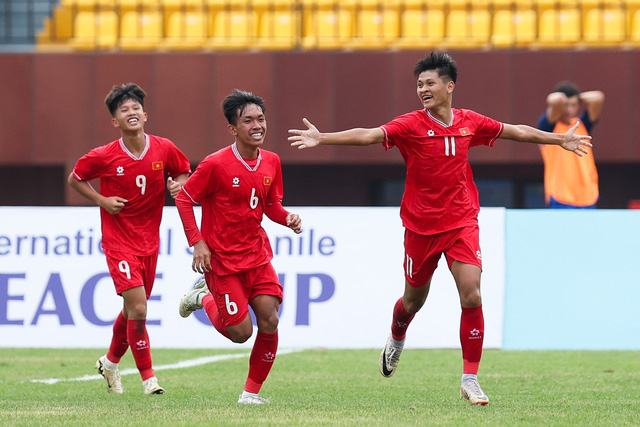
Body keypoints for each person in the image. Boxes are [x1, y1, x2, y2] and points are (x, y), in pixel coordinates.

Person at [288, 52, 591, 405]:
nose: (423, 89)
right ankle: (397, 335)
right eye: (419, 84)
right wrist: (322, 138)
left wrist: (559, 141)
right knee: (413, 300)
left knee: (472, 293)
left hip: (462, 221)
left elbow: (515, 132)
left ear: (450, 86)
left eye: (430, 83)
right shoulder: (410, 125)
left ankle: (470, 378)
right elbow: (369, 135)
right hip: (421, 227)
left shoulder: (469, 121)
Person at [175, 89, 302, 405]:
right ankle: (202, 297)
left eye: (261, 118)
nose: (257, 125)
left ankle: (250, 394)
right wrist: (198, 243)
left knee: (270, 318)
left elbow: (271, 204)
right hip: (222, 261)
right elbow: (184, 198)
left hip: (257, 256)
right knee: (241, 333)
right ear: (233, 128)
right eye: (248, 121)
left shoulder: (271, 161)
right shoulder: (215, 164)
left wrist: (287, 218)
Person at [68, 83, 191, 395]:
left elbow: (184, 171)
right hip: (118, 241)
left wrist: (179, 186)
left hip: (150, 242)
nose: (131, 112)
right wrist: (101, 200)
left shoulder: (164, 148)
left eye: (135, 107)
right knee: (138, 308)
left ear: (145, 115)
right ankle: (149, 379)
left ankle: (109, 363)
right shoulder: (103, 156)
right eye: (124, 110)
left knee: (133, 309)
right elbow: (76, 177)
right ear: (115, 122)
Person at [538, 81, 604, 208]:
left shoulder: (582, 124)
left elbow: (598, 97)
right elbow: (554, 100)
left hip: (588, 196)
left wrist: (577, 97)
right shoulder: (549, 126)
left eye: (573, 105)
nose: (569, 109)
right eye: (565, 105)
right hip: (561, 196)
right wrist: (563, 99)